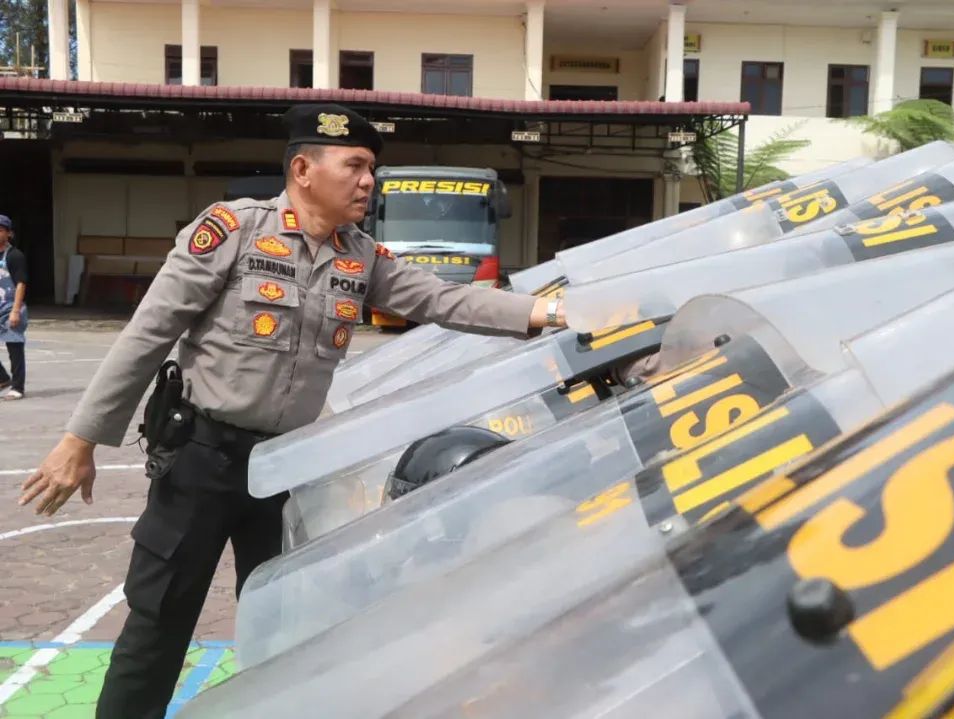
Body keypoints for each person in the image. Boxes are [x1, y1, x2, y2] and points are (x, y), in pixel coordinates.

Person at [18, 103, 566, 719]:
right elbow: (148, 333)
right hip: (200, 462)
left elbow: (440, 299)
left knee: (284, 626)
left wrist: (544, 314)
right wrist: (81, 439)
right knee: (160, 622)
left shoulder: (361, 256)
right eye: (355, 166)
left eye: (371, 169)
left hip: (282, 472)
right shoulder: (232, 231)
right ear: (303, 170)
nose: (368, 181)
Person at [0, 214, 28, 400]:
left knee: (14, 347)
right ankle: (3, 378)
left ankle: (18, 387)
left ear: (9, 233)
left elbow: (21, 283)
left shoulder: (15, 256)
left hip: (11, 306)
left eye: (0, 229)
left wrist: (16, 310)